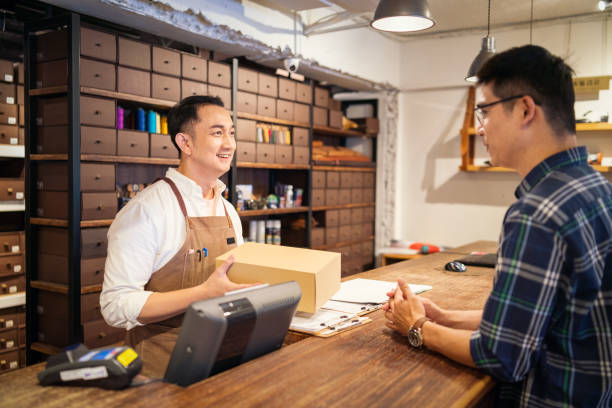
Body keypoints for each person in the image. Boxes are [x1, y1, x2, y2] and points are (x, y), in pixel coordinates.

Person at [384, 45, 612, 407]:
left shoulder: (537, 212)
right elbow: (543, 316)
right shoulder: (598, 188)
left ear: (524, 109)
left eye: (485, 110)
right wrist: (445, 317)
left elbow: (503, 355)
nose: (480, 126)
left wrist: (418, 328)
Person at [101, 95, 252, 377]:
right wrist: (203, 294)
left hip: (222, 364)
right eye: (217, 133)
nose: (229, 144)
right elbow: (115, 305)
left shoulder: (228, 209)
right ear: (185, 143)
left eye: (231, 133)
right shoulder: (147, 210)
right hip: (162, 376)